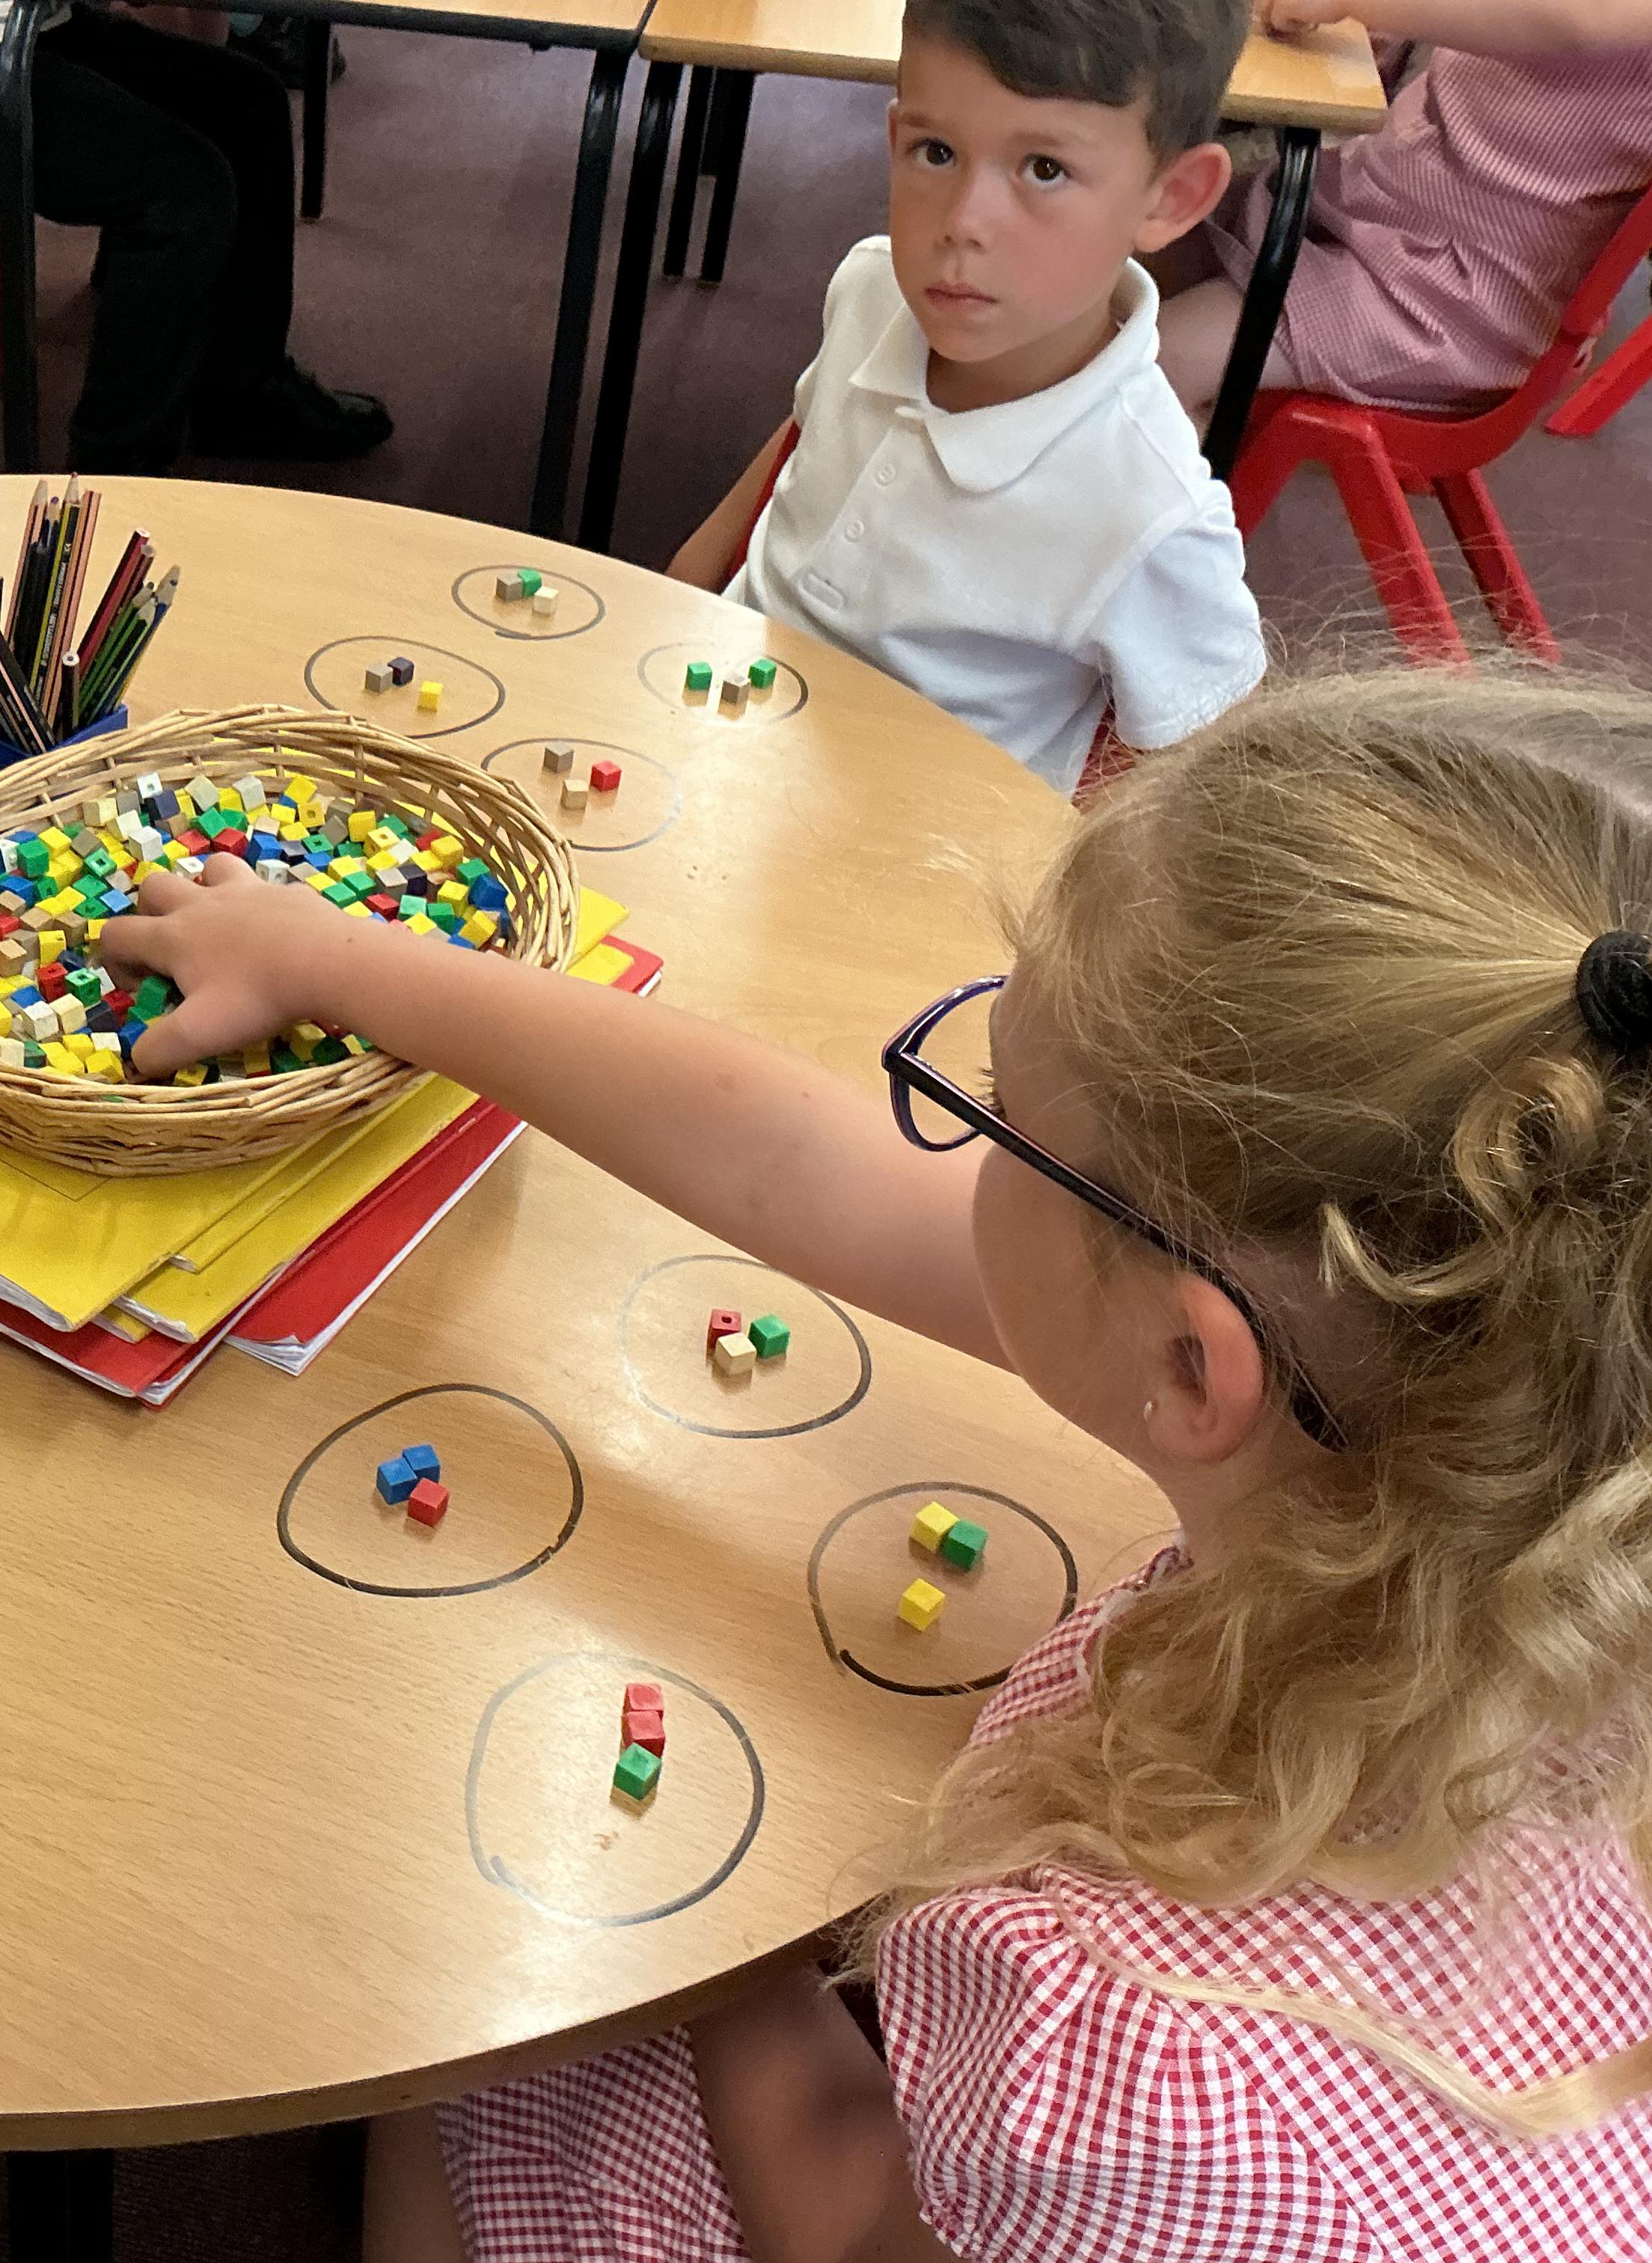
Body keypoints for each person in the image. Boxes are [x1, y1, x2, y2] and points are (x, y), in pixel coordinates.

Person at [102, 667, 1652, 2261]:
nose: (959, 1136)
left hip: (903, 2189)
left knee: (458, 2030)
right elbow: (797, 1163)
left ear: (1194, 1367)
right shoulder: (1536, 1463)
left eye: (997, 1114)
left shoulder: (1130, 2055)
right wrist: (336, 960)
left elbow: (846, 2213)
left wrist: (714, 1932)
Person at [667, 0, 1263, 795]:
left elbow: (1212, 781)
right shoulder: (872, 288)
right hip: (722, 740)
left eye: (1044, 169)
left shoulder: (1152, 510)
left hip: (907, 840)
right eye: (937, 152)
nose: (963, 223)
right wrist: (678, 593)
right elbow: (808, 437)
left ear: (1172, 198)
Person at [0, 0, 392, 474]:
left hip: (20, 24)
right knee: (182, 194)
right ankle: (115, 465)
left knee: (248, 103)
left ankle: (240, 392)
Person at [1159, 0, 1652, 418]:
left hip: (1452, 298)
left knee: (1157, 364)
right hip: (1372, 196)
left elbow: (1582, 21)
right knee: (1149, 244)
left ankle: (1178, 488)